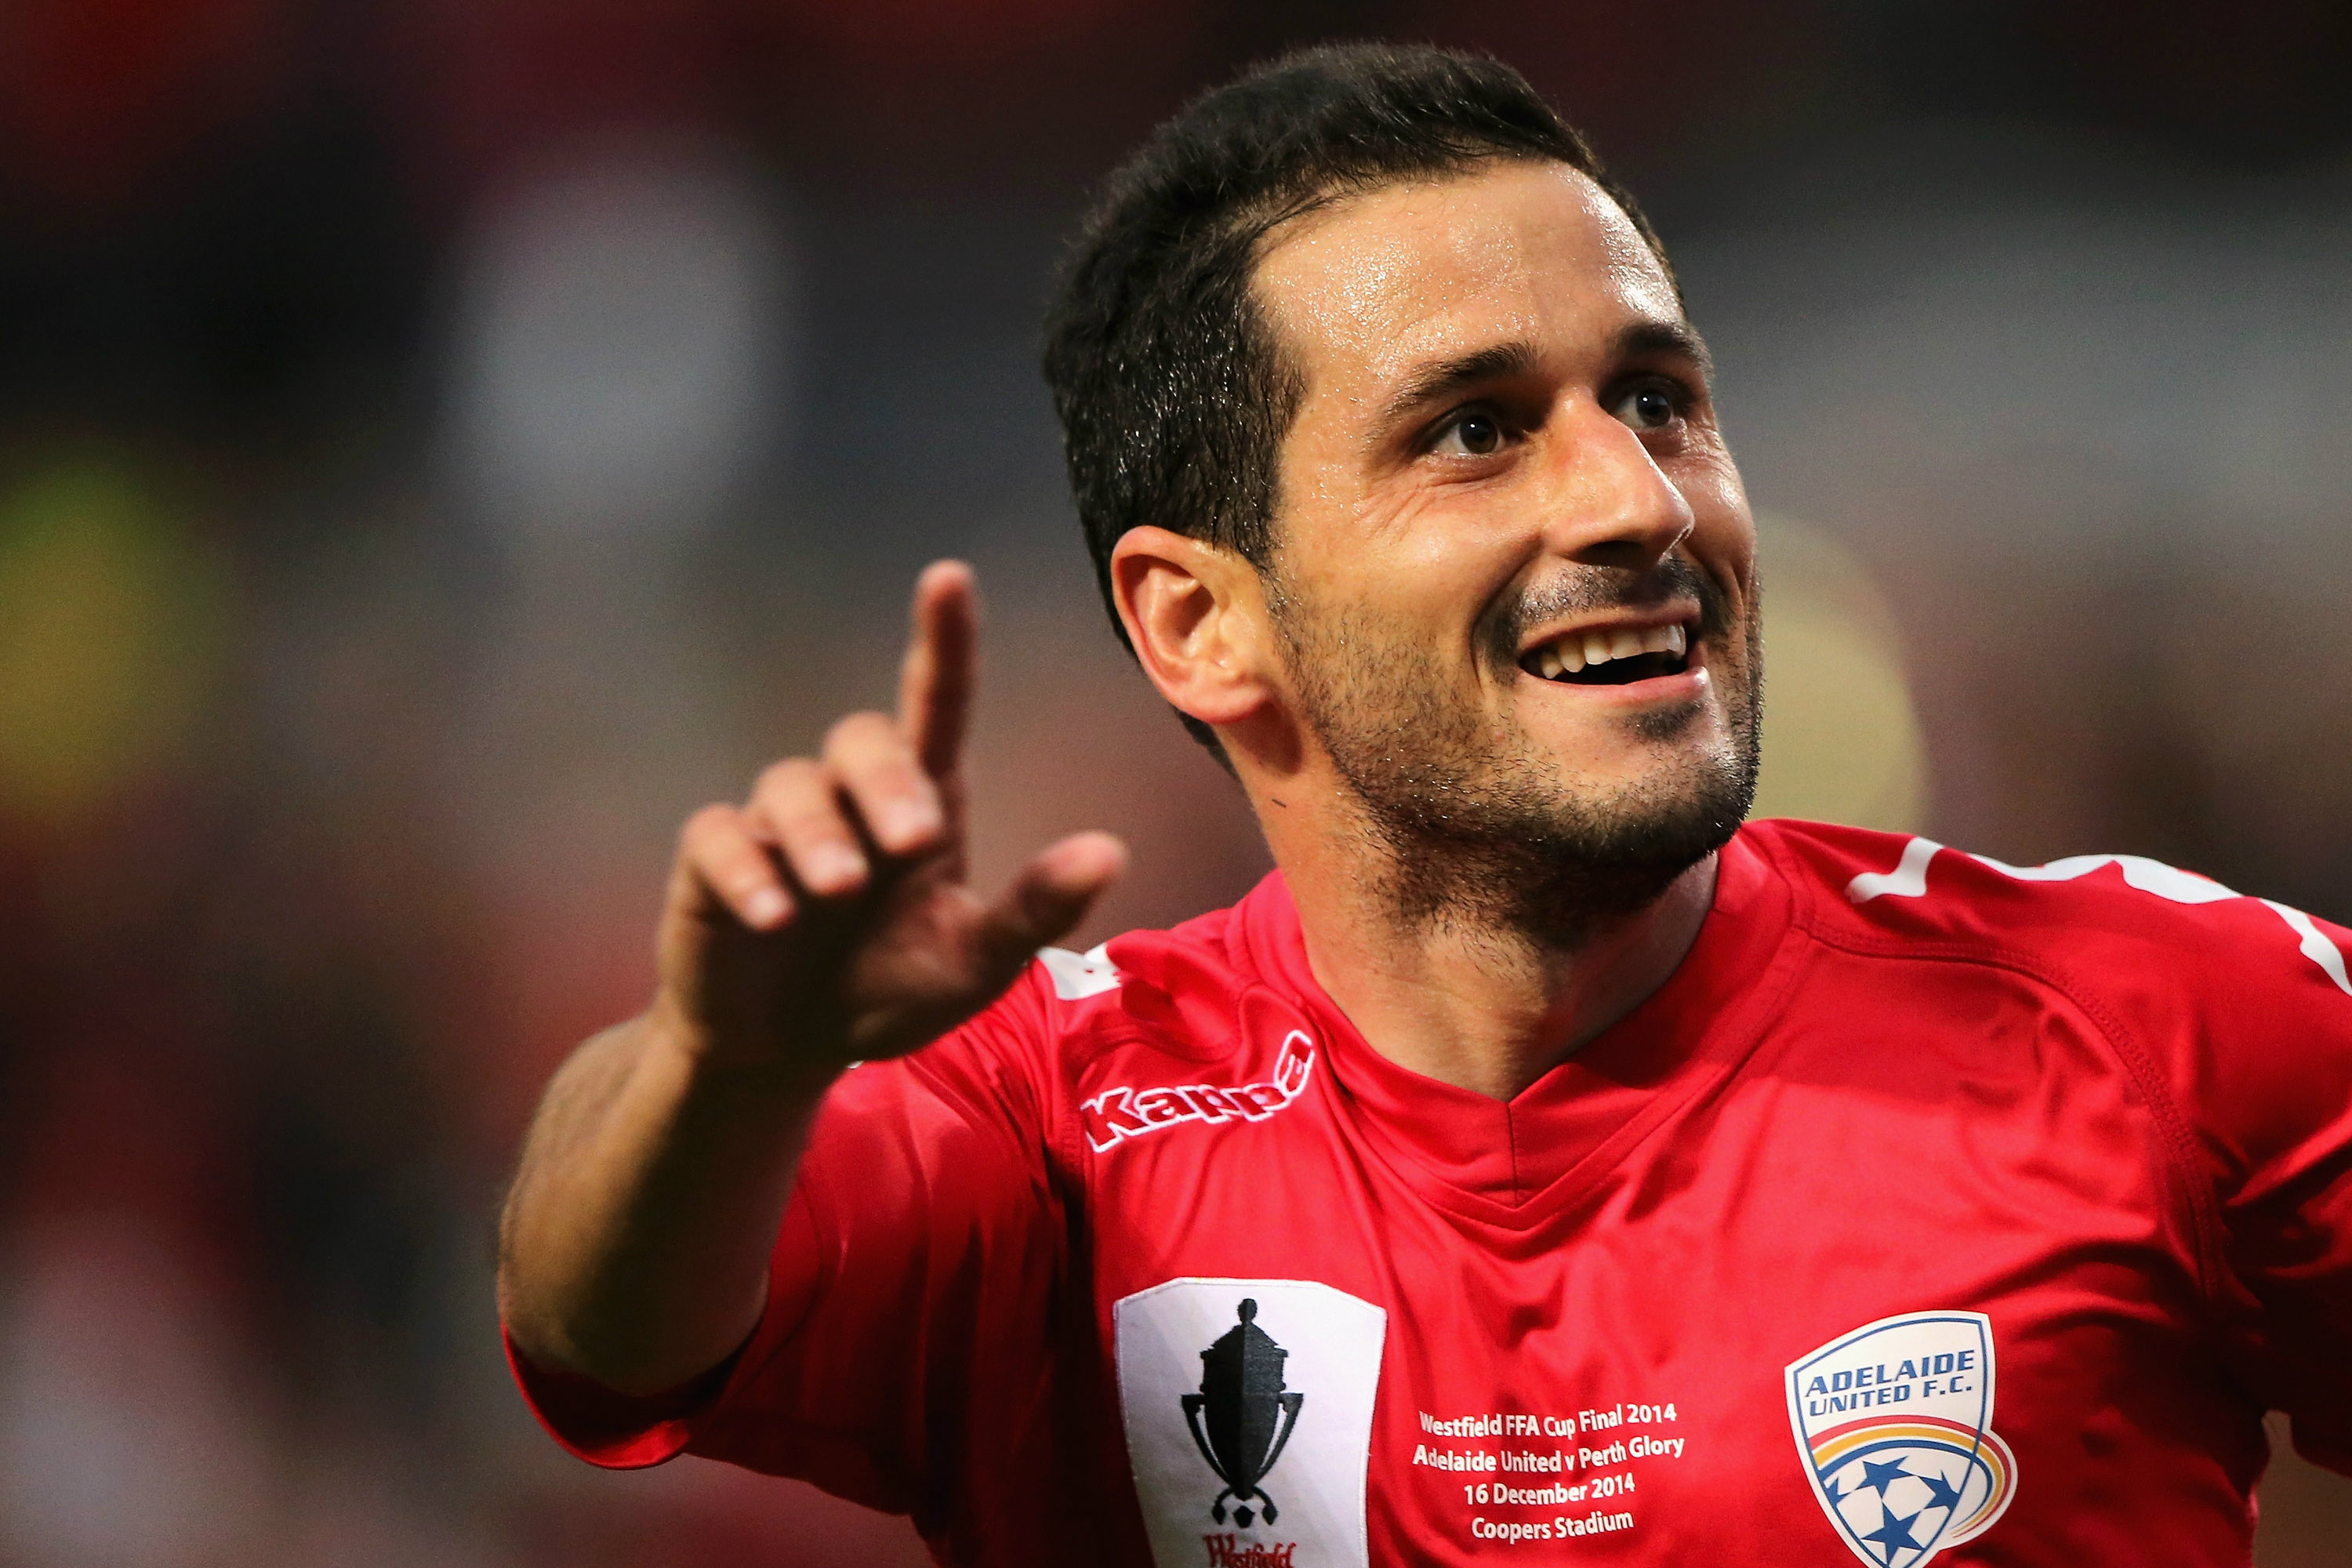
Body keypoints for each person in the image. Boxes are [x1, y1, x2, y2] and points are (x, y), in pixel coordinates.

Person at [495, 42, 2352, 1568]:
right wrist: (726, 1060)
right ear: (1203, 620)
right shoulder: (1060, 1132)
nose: (1635, 499)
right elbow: (596, 1336)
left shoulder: (2157, 1023)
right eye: (1474, 428)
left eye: (1657, 398)